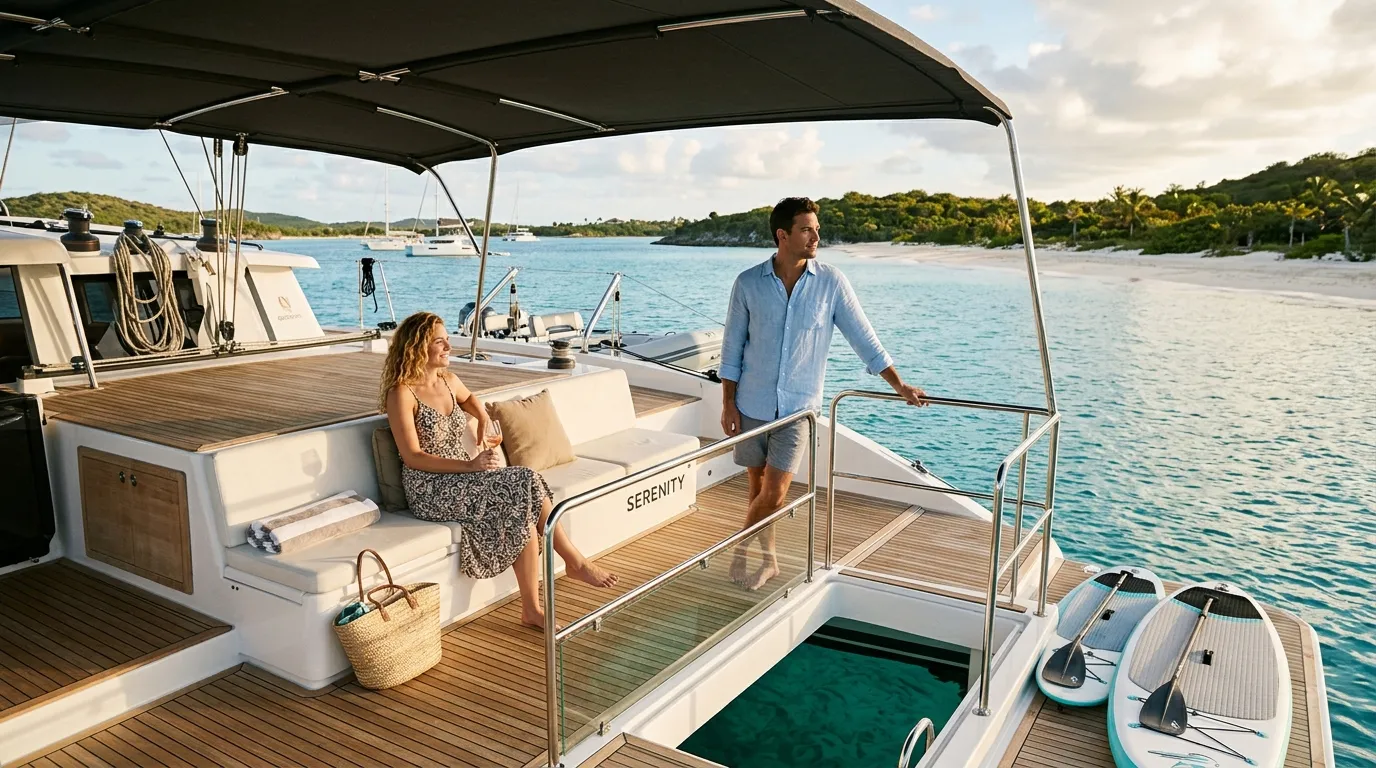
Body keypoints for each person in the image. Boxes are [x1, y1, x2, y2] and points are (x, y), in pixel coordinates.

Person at [719, 197, 928, 590]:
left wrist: (899, 385)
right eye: (806, 229)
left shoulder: (832, 283)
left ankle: (738, 550)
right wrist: (728, 403)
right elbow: (732, 348)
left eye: (816, 229)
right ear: (783, 235)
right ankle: (770, 561)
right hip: (751, 403)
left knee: (775, 492)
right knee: (757, 489)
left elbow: (864, 338)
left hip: (799, 411)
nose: (816, 236)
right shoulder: (747, 283)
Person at [382, 311, 616, 629]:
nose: (448, 347)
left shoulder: (449, 381)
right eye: (440, 342)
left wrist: (482, 417)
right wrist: (470, 465)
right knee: (525, 479)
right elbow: (413, 457)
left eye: (448, 340)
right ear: (418, 347)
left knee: (523, 510)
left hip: (466, 478)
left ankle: (532, 609)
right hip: (430, 487)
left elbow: (470, 399)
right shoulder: (401, 393)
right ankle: (574, 561)